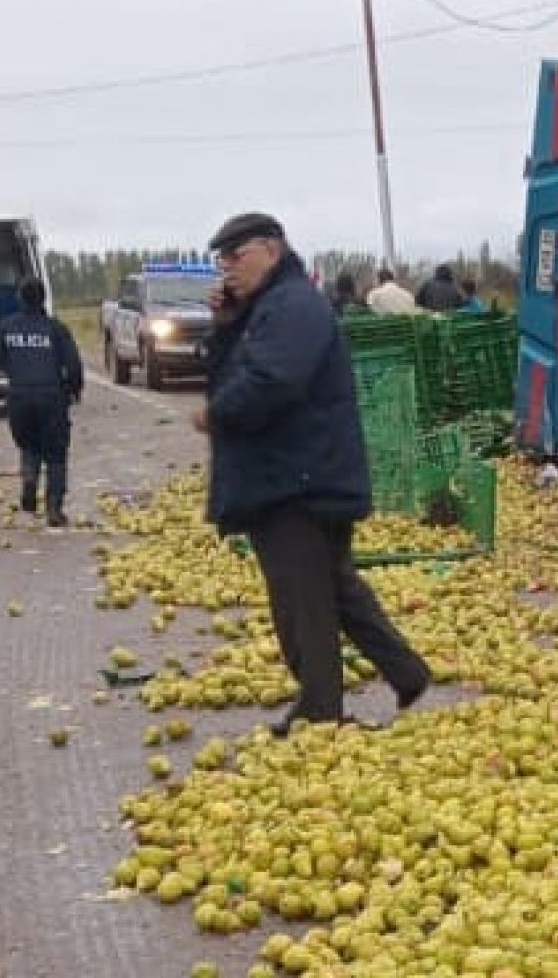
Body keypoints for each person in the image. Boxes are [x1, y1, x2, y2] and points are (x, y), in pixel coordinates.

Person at [196, 213, 431, 735]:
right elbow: (234, 366)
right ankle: (406, 671)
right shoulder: (268, 307)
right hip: (300, 473)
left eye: (237, 256)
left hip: (297, 478)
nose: (227, 268)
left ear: (272, 251)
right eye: (222, 259)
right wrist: (228, 326)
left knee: (301, 597)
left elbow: (272, 379)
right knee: (331, 585)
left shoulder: (293, 305)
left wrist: (219, 413)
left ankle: (321, 707)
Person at [0, 277, 83, 527]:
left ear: (19, 299)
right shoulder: (56, 328)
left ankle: (30, 480)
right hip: (51, 396)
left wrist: (15, 366)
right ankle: (54, 509)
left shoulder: (5, 327)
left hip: (19, 397)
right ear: (43, 299)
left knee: (29, 446)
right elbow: (74, 366)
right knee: (55, 454)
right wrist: (74, 390)